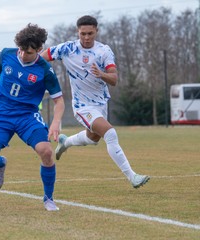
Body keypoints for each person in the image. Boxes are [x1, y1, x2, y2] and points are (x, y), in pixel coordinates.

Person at [41, 15, 150, 189]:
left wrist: (102, 74)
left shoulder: (104, 51)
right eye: (82, 33)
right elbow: (41, 57)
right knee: (111, 134)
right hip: (82, 106)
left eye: (90, 33)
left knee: (93, 139)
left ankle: (66, 142)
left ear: (96, 31)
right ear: (77, 32)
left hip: (100, 104)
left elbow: (114, 79)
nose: (86, 37)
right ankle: (132, 177)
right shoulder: (67, 48)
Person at [0, 23, 65, 211]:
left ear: (39, 50)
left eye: (28, 52)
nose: (22, 54)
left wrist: (55, 123)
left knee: (46, 152)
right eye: (21, 50)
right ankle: (1, 163)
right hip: (0, 115)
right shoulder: (6, 54)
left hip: (27, 117)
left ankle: (48, 198)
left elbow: (59, 101)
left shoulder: (45, 70)